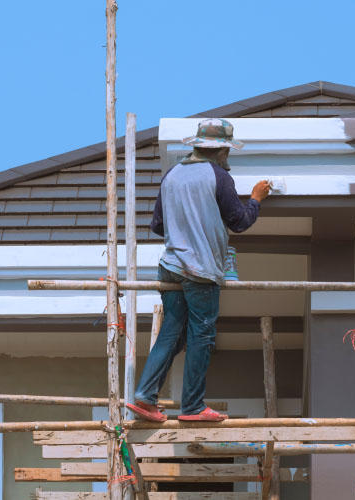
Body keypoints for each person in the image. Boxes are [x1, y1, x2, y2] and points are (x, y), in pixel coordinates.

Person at [125, 118, 271, 422]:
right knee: (201, 335)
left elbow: (158, 226)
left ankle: (145, 397)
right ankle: (192, 406)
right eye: (226, 151)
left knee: (172, 332)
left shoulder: (172, 176)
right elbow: (240, 222)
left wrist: (189, 223)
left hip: (170, 266)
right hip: (201, 270)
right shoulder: (218, 177)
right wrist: (256, 200)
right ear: (220, 151)